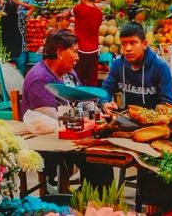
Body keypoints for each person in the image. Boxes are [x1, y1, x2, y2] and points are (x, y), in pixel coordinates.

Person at [20, 29, 114, 189]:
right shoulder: (39, 78)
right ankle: (84, 204)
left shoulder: (67, 72)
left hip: (73, 134)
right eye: (75, 52)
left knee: (102, 159)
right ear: (59, 52)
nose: (78, 57)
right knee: (97, 164)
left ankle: (89, 203)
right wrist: (87, 118)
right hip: (50, 142)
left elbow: (82, 98)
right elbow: (51, 118)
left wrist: (98, 112)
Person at [100, 23, 172, 113]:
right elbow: (105, 90)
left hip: (155, 122)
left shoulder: (161, 67)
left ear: (144, 44)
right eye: (124, 44)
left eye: (133, 43)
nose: (128, 48)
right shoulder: (118, 65)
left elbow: (168, 103)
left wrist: (155, 115)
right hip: (127, 118)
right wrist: (105, 103)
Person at [58, 0, 103, 86]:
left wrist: (64, 17)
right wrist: (77, 21)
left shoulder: (79, 8)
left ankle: (78, 100)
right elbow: (89, 24)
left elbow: (67, 15)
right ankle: (92, 100)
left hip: (80, 50)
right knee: (92, 80)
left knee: (78, 78)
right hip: (94, 51)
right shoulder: (99, 13)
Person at [0, 0, 35, 74]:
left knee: (9, 75)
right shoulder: (21, 16)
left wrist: (7, 3)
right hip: (20, 50)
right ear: (16, 8)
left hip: (6, 51)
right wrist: (19, 2)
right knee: (20, 74)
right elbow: (32, 7)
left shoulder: (1, 18)